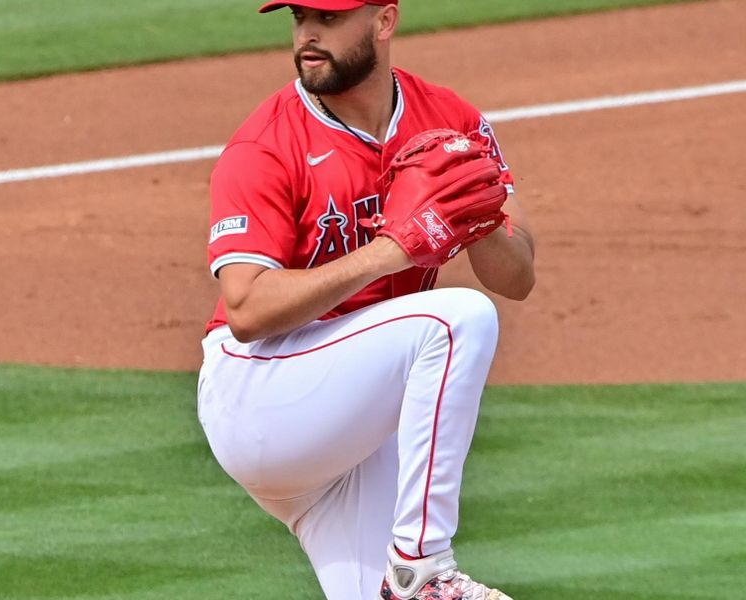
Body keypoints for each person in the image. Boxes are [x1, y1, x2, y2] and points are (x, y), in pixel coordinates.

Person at [196, 1, 535, 598]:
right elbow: (246, 311)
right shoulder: (267, 145)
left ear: (384, 21)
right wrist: (394, 249)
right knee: (456, 321)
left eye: (328, 19)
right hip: (262, 400)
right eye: (300, 19)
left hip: (354, 426)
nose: (308, 35)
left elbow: (517, 277)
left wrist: (476, 218)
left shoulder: (448, 118)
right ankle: (422, 568)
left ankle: (406, 578)